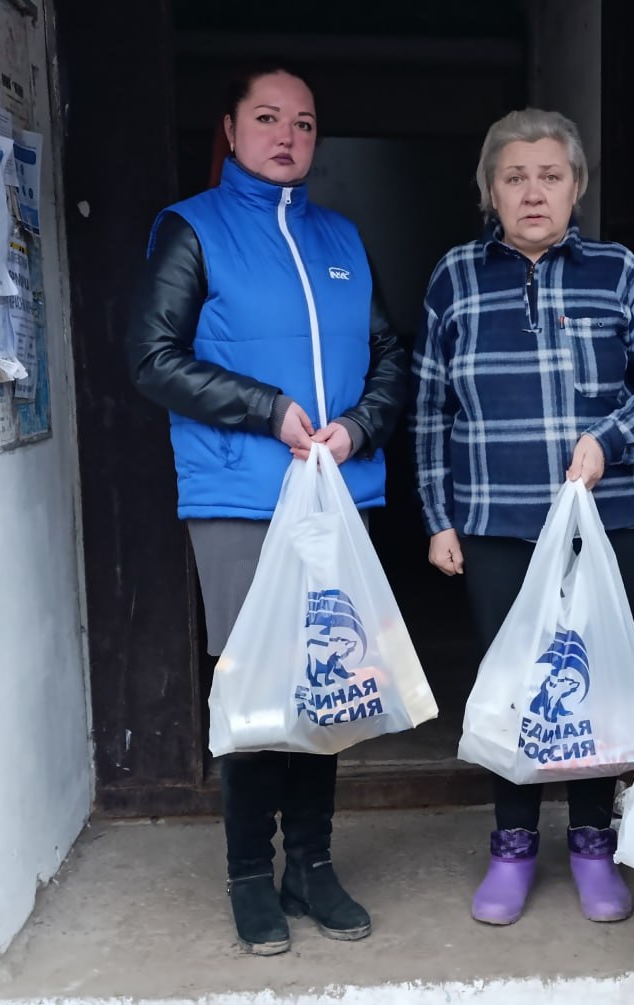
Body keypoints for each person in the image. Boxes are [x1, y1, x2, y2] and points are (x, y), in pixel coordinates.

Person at [125, 65, 407, 955]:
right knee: (255, 685)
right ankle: (250, 872)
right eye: (268, 118)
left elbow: (390, 353)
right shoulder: (192, 229)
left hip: (338, 494)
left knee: (329, 677)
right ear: (231, 127)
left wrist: (359, 427)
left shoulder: (342, 236)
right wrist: (268, 409)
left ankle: (311, 865)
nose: (287, 137)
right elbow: (152, 356)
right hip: (243, 495)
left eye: (305, 123)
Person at [411, 108, 634, 926]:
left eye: (550, 175)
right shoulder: (455, 277)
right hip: (497, 521)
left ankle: (591, 842)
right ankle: (512, 845)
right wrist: (438, 517)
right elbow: (430, 408)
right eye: (514, 177)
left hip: (611, 522)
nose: (533, 192)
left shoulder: (616, 271)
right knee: (513, 685)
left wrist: (612, 436)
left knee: (596, 681)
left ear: (577, 187)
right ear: (489, 191)